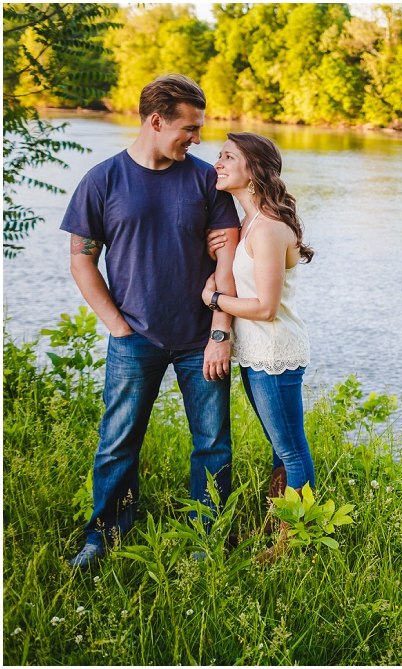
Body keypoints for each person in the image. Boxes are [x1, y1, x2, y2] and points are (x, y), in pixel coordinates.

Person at [62, 74, 240, 568]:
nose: (199, 139)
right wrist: (118, 327)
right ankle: (103, 538)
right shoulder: (103, 180)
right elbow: (81, 259)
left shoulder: (207, 180)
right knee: (117, 442)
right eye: (190, 128)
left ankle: (207, 538)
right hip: (134, 338)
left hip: (201, 341)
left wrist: (220, 333)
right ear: (157, 121)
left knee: (212, 444)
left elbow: (228, 264)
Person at [202, 132, 314, 559]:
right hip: (256, 353)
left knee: (291, 449)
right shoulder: (248, 220)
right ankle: (277, 529)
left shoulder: (267, 228)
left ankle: (294, 541)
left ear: (253, 170)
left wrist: (214, 300)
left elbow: (265, 307)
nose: (218, 162)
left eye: (229, 156)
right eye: (219, 155)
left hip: (275, 353)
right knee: (279, 447)